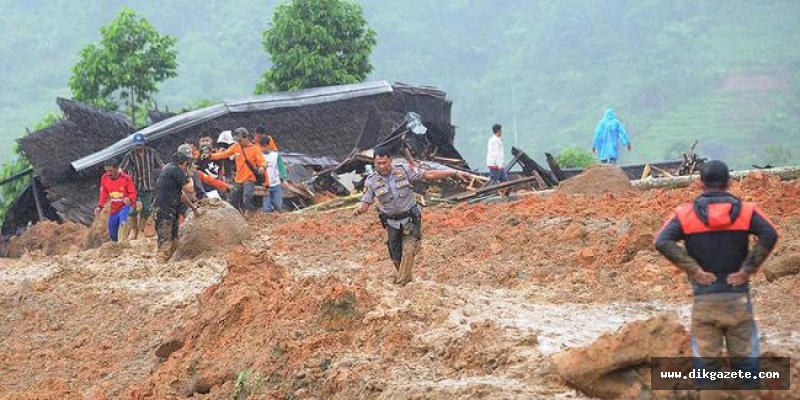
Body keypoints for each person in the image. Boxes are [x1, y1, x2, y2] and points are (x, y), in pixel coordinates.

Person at [654, 160, 778, 394]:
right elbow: (770, 233)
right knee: (747, 366)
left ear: (700, 183)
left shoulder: (686, 214)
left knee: (707, 370)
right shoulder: (746, 212)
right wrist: (747, 269)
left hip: (705, 299)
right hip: (738, 299)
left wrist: (694, 270)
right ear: (729, 182)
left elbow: (661, 241)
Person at [353, 148, 473, 286]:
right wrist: (359, 210)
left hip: (410, 218)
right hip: (391, 222)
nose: (382, 166)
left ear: (390, 160)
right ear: (374, 163)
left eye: (385, 162)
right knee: (396, 256)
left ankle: (401, 284)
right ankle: (407, 281)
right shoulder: (371, 181)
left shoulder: (404, 170)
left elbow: (429, 174)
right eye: (378, 163)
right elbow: (365, 202)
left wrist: (454, 172)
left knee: (409, 251)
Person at [209, 127, 266, 215]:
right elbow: (223, 155)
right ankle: (237, 216)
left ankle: (252, 213)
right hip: (238, 179)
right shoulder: (235, 147)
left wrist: (262, 167)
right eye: (237, 140)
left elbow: (262, 161)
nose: (238, 142)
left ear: (245, 137)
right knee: (231, 200)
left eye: (239, 140)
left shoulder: (255, 148)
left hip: (250, 178)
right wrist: (210, 156)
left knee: (247, 197)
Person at [153, 152, 199, 262]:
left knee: (174, 240)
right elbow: (189, 189)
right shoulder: (175, 170)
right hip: (164, 210)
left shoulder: (169, 168)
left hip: (170, 209)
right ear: (183, 164)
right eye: (186, 165)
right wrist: (190, 176)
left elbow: (180, 194)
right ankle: (160, 267)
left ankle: (167, 265)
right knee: (165, 242)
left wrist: (193, 208)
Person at [119, 133, 164, 239]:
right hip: (134, 186)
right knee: (132, 210)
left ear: (144, 144)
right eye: (137, 145)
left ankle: (141, 230)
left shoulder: (151, 153)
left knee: (147, 209)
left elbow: (161, 165)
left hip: (148, 185)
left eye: (140, 145)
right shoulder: (130, 155)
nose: (138, 147)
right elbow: (122, 169)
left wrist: (167, 173)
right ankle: (134, 230)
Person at [94, 158, 137, 243]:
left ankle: (123, 242)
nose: (109, 173)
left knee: (123, 221)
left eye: (111, 171)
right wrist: (100, 206)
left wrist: (129, 198)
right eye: (107, 171)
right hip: (114, 207)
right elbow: (103, 194)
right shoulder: (104, 178)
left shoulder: (126, 178)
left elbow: (133, 193)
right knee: (112, 231)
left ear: (117, 168)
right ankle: (116, 245)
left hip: (126, 206)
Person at [261, 137, 288, 213]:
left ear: (269, 145)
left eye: (265, 147)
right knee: (266, 208)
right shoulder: (260, 156)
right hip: (265, 186)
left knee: (278, 205)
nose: (263, 149)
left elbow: (281, 167)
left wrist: (284, 179)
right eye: (262, 147)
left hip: (276, 184)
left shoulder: (276, 155)